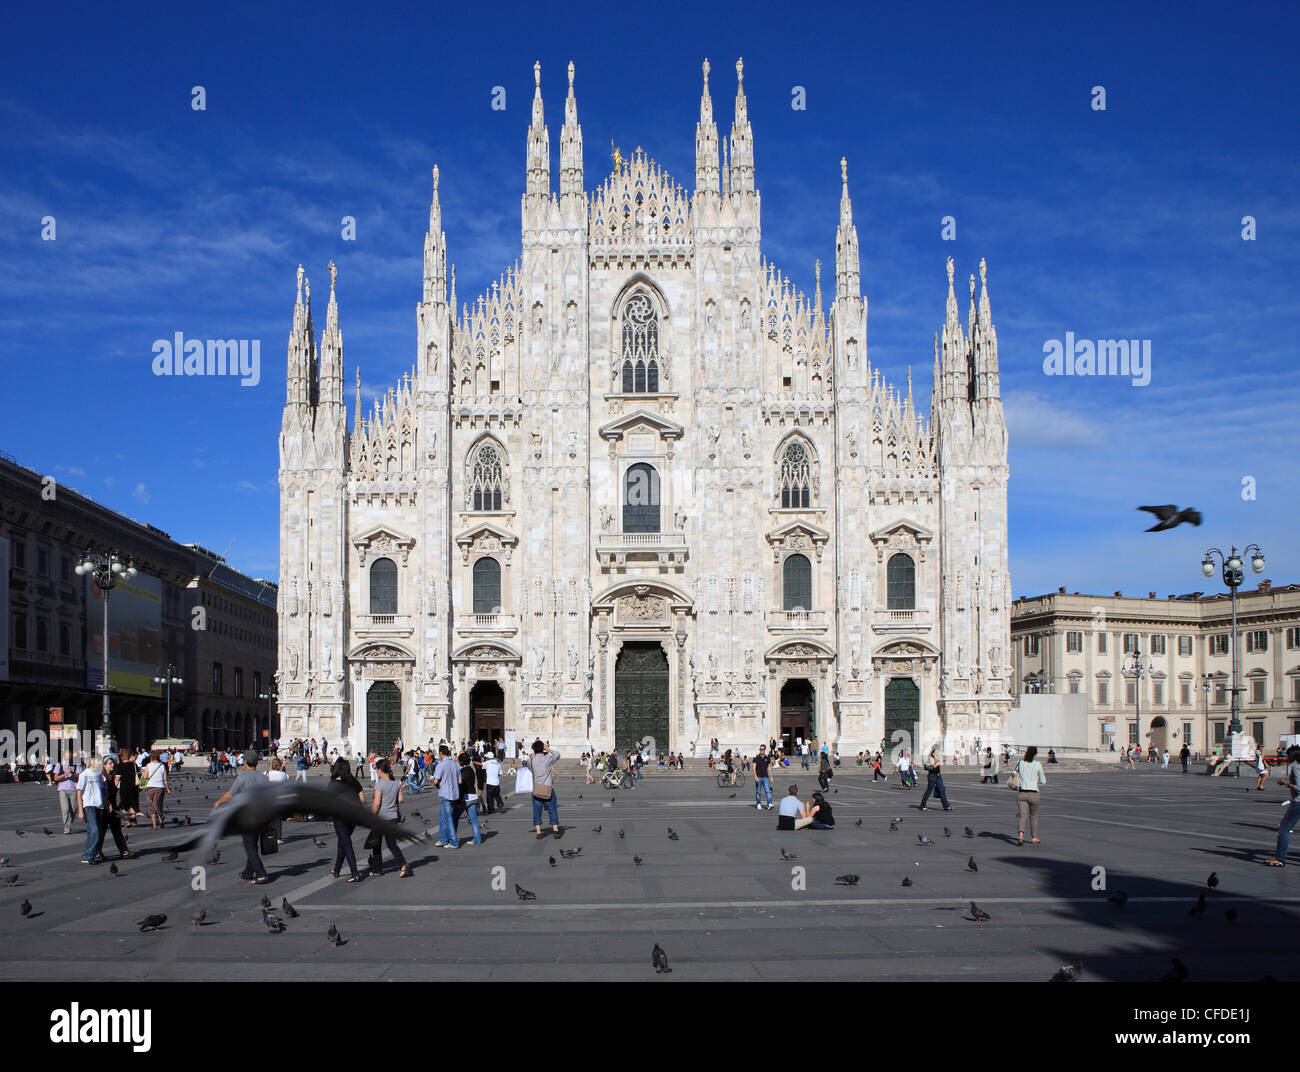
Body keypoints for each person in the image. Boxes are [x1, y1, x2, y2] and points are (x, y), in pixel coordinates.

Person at [212, 751, 269, 883]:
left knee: (249, 846)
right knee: (252, 845)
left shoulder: (242, 778)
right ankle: (247, 873)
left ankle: (261, 873)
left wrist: (219, 802)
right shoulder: (263, 777)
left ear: (245, 762)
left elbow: (230, 794)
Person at [367, 758, 411, 877]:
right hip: (393, 816)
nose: (376, 771)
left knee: (376, 843)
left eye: (376, 769)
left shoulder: (380, 784)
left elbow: (376, 803)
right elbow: (400, 799)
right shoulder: (396, 783)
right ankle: (402, 864)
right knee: (392, 844)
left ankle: (377, 869)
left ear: (380, 770)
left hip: (381, 818)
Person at [325, 758, 364, 882]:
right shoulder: (353, 781)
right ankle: (336, 870)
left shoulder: (333, 783)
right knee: (342, 842)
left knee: (346, 843)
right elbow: (362, 800)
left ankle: (355, 873)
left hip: (340, 817)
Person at [1264, 746, 1300, 867]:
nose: (1286, 757)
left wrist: (1286, 783)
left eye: (1287, 755)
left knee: (1284, 828)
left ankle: (1280, 858)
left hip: (1298, 802)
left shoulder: (1296, 768)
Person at [94, 755, 132, 860]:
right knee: (101, 831)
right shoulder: (102, 777)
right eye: (110, 763)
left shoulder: (111, 776)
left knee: (117, 830)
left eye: (113, 763)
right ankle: (97, 851)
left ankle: (123, 851)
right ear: (104, 765)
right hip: (104, 808)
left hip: (113, 807)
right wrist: (107, 804)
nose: (112, 765)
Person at [524, 739, 561, 839]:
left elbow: (529, 761)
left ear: (534, 749)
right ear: (542, 748)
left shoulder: (530, 761)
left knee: (537, 811)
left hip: (537, 790)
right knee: (552, 810)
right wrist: (547, 748)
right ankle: (556, 831)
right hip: (548, 789)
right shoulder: (548, 759)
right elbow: (557, 754)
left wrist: (534, 751)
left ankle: (539, 832)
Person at [75, 757, 107, 864]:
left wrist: (107, 804)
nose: (99, 763)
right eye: (97, 761)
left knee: (92, 832)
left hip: (99, 805)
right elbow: (79, 792)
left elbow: (101, 790)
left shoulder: (99, 774)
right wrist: (80, 810)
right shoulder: (84, 774)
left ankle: (87, 855)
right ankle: (90, 855)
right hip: (89, 805)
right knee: (95, 831)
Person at [1014, 745, 1047, 846]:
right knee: (1033, 816)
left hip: (1022, 793)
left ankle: (1021, 836)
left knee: (1023, 816)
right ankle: (1034, 837)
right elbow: (1043, 781)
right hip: (1034, 794)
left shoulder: (1020, 763)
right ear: (1035, 754)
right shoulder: (1037, 764)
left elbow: (1014, 773)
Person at [431, 745, 462, 849]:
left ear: (440, 753)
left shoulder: (440, 765)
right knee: (443, 817)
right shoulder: (455, 765)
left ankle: (453, 841)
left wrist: (437, 784)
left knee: (447, 817)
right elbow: (459, 781)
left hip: (444, 793)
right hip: (454, 794)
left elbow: (435, 781)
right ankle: (443, 839)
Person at [456, 752, 484, 845]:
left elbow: (462, 787)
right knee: (474, 819)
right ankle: (477, 839)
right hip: (473, 797)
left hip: (465, 798)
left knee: (454, 817)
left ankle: (452, 838)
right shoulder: (472, 770)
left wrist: (458, 800)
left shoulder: (462, 772)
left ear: (461, 761)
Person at [53, 753, 80, 834]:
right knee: (65, 809)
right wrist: (65, 774)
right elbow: (56, 778)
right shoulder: (59, 764)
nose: (68, 758)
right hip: (62, 789)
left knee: (74, 809)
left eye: (70, 756)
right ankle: (67, 827)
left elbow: (80, 776)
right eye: (67, 756)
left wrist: (73, 773)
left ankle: (69, 822)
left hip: (73, 789)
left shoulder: (76, 764)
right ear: (64, 756)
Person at [144, 750, 169, 829]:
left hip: (150, 787)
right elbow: (165, 779)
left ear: (151, 757)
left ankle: (154, 825)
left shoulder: (148, 765)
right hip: (160, 787)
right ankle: (161, 820)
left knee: (151, 806)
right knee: (159, 804)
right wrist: (167, 788)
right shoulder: (162, 766)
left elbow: (145, 777)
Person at [753, 745, 773, 810]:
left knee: (767, 791)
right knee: (758, 791)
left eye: (763, 749)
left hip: (765, 777)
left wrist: (771, 777)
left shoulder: (767, 758)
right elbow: (754, 768)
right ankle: (758, 803)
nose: (761, 750)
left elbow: (769, 767)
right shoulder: (756, 757)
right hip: (758, 777)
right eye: (760, 749)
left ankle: (769, 803)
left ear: (765, 750)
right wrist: (755, 776)